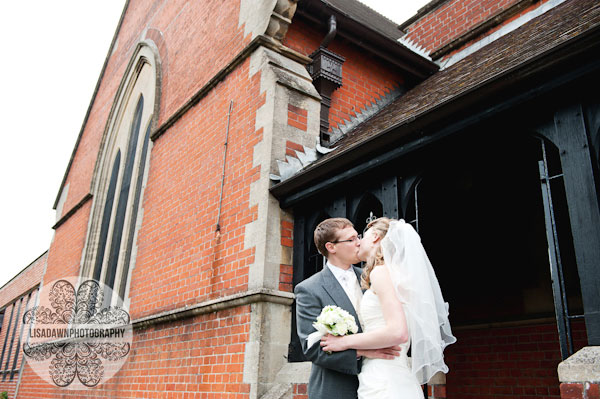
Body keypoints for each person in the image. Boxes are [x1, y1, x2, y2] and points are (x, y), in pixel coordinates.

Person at [320, 218, 456, 398]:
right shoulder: (397, 275)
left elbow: (398, 332)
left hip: (384, 377)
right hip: (394, 373)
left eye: (362, 236)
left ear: (375, 236)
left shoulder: (381, 272)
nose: (358, 242)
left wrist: (344, 341)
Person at [295, 217, 402, 399]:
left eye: (358, 237)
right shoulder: (309, 289)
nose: (359, 242)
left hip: (381, 381)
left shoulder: (372, 277)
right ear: (331, 247)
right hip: (336, 388)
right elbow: (312, 347)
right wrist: (363, 352)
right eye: (351, 239)